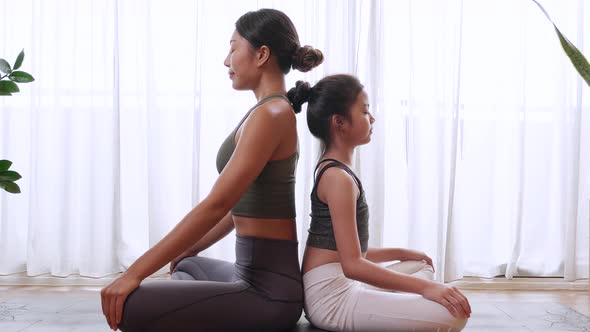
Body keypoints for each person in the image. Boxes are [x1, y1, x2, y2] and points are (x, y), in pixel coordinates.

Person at [100, 9, 323, 332]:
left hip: (269, 293)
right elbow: (236, 210)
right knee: (187, 262)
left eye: (233, 48)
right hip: (247, 276)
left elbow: (216, 204)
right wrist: (191, 248)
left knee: (129, 305)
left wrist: (134, 273)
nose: (226, 60)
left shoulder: (273, 113)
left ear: (261, 54)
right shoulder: (265, 111)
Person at [287, 74, 470, 332]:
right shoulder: (337, 178)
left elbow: (352, 251)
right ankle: (394, 308)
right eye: (364, 111)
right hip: (331, 298)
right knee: (453, 314)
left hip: (344, 281)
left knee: (420, 266)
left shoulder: (337, 172)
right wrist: (428, 288)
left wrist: (401, 253)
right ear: (339, 122)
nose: (372, 118)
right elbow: (353, 265)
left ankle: (391, 308)